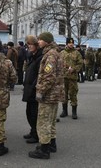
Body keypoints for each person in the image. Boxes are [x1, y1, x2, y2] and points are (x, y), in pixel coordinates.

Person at [28, 32, 64, 160]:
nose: (38, 42)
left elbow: (49, 76)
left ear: (47, 41)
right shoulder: (55, 53)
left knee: (43, 121)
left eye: (41, 40)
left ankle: (44, 150)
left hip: (48, 94)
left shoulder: (50, 55)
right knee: (51, 120)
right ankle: (51, 144)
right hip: (54, 94)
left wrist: (40, 91)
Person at [22, 35, 43, 144]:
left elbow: (40, 75)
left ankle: (36, 134)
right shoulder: (32, 56)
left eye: (30, 44)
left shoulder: (40, 58)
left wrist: (34, 87)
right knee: (29, 112)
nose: (29, 46)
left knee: (34, 114)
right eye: (27, 44)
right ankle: (32, 130)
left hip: (34, 90)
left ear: (36, 45)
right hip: (29, 89)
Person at [60, 38, 83, 119]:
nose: (71, 44)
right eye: (69, 43)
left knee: (73, 94)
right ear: (66, 44)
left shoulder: (77, 53)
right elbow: (59, 63)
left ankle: (74, 112)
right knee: (64, 94)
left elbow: (80, 63)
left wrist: (74, 69)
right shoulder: (62, 53)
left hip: (72, 77)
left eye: (72, 43)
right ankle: (64, 111)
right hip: (63, 77)